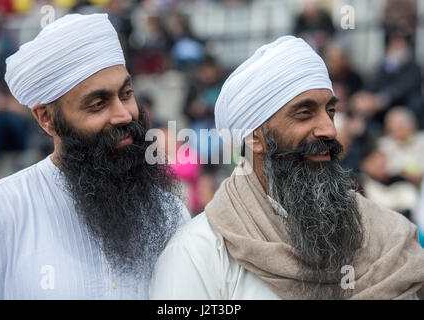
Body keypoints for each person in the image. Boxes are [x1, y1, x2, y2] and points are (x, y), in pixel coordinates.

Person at [150, 36, 424, 300]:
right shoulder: (198, 254)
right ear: (254, 136)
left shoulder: (388, 235)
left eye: (330, 111)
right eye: (305, 113)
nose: (330, 129)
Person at [0, 13, 190, 300]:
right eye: (98, 104)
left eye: (126, 94)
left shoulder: (171, 214)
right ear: (47, 119)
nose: (124, 115)